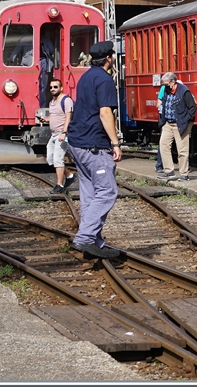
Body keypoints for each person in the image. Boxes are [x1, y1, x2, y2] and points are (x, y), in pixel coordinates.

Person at [66, 41, 123, 260]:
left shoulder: (85, 77)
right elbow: (105, 113)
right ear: (109, 58)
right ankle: (85, 238)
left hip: (77, 141)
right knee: (107, 192)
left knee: (90, 194)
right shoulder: (104, 79)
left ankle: (95, 241)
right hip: (93, 144)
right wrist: (115, 143)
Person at [156, 73, 196, 181]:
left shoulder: (184, 91)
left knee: (182, 149)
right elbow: (163, 103)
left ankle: (184, 174)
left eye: (166, 84)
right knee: (163, 145)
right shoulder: (165, 90)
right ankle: (169, 171)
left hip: (181, 124)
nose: (164, 86)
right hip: (168, 123)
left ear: (173, 82)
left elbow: (193, 108)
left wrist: (185, 120)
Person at [44, 79, 75, 195]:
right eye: (51, 87)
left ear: (61, 88)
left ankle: (60, 185)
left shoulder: (66, 100)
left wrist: (64, 132)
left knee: (58, 159)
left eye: (55, 87)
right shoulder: (52, 102)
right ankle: (70, 175)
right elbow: (51, 116)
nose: (52, 89)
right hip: (53, 135)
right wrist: (45, 119)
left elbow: (68, 118)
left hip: (62, 134)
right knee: (50, 158)